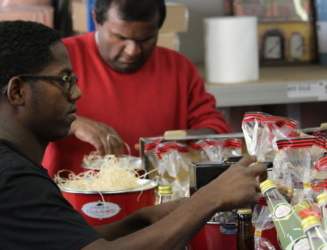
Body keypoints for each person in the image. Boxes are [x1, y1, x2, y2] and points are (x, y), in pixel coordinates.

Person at [0, 20, 266, 250]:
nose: (77, 92)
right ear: (17, 92)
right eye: (64, 80)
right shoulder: (8, 181)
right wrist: (212, 198)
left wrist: (142, 219)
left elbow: (71, 240)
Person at [43, 0, 230, 177]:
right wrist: (73, 123)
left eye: (146, 39)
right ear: (96, 20)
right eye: (120, 37)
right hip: (71, 198)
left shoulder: (179, 67)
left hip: (161, 198)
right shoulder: (61, 58)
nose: (132, 50)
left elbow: (215, 127)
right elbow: (22, 118)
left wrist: (185, 139)